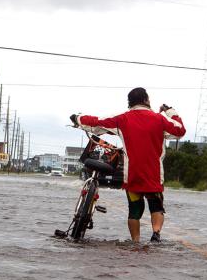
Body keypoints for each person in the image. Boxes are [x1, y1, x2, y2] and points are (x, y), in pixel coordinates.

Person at [72, 87, 186, 243]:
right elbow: (180, 130)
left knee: (134, 210)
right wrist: (170, 111)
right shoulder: (160, 119)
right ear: (146, 100)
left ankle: (135, 242)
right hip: (154, 174)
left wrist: (78, 118)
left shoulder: (123, 119)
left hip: (133, 174)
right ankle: (156, 234)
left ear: (130, 103)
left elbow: (97, 122)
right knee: (156, 207)